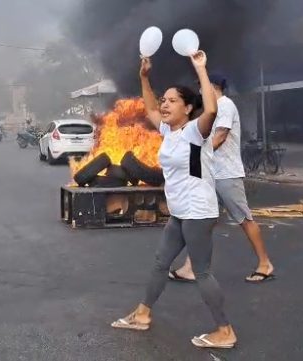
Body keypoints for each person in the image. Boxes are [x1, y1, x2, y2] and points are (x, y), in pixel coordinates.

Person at [110, 51, 237, 350]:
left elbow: (212, 109)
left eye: (172, 100)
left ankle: (225, 330)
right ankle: (142, 314)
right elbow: (150, 107)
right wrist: (144, 77)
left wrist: (201, 69)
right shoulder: (170, 130)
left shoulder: (195, 131)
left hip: (198, 211)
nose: (164, 104)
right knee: (160, 263)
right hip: (181, 212)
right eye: (165, 99)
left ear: (188, 107)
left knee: (202, 271)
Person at [169, 74, 276, 284]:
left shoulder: (225, 106)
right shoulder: (212, 109)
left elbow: (220, 136)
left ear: (211, 87)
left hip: (227, 174)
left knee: (244, 219)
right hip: (211, 174)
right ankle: (191, 268)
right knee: (202, 222)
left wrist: (196, 154)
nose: (199, 91)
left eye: (201, 87)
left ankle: (265, 264)